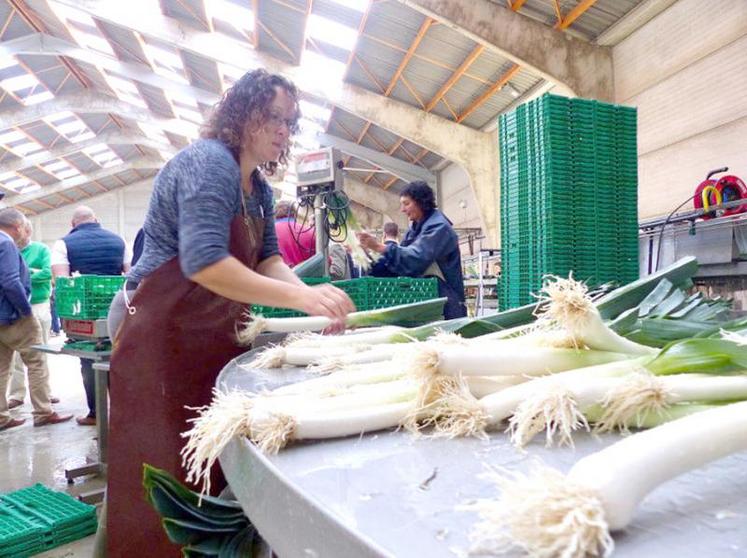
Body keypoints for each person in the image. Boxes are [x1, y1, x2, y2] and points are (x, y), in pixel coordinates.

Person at [104, 68, 353, 557]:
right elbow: (204, 263)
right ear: (242, 116)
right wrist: (303, 301)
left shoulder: (258, 188)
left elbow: (267, 259)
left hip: (208, 327)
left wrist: (312, 296)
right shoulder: (209, 163)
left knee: (206, 456)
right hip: (158, 327)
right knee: (161, 461)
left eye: (290, 121)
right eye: (273, 118)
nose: (283, 131)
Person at [51, 205, 129, 427]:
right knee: (117, 357)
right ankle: (122, 413)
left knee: (88, 359)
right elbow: (131, 273)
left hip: (84, 313)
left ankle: (95, 414)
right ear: (96, 219)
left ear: (73, 224)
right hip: (117, 310)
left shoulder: (63, 243)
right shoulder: (119, 240)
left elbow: (62, 281)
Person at [0, 208, 72, 430]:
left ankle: (1, 417)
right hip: (13, 315)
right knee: (36, 362)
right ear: (18, 226)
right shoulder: (6, 243)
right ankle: (43, 412)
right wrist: (25, 311)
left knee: (2, 368)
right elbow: (10, 281)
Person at [359, 181, 467, 319]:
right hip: (429, 298)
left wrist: (379, 247)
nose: (402, 210)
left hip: (447, 303)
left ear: (421, 202)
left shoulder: (439, 228)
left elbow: (415, 258)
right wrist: (369, 258)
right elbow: (400, 263)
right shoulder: (415, 228)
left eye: (406, 203)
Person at [7, 219, 59, 409]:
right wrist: (30, 273)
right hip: (16, 307)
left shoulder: (41, 249)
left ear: (27, 231)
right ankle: (16, 395)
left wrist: (24, 274)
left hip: (38, 304)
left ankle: (46, 394)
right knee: (16, 357)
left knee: (41, 352)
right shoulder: (9, 249)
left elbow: (47, 274)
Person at [274, 199, 315, 266]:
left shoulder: (266, 234)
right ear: (295, 214)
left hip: (273, 275)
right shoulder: (310, 233)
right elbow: (326, 262)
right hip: (305, 276)